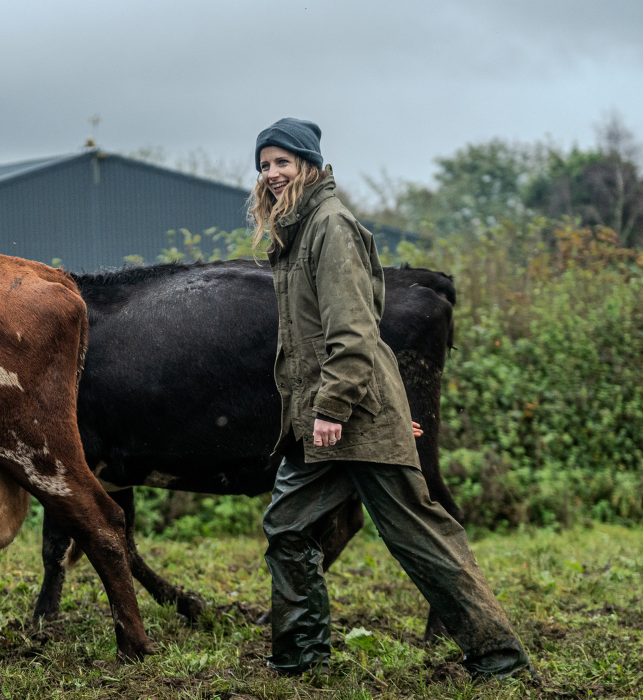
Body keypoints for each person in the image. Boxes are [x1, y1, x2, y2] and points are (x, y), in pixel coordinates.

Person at [251, 118, 531, 679]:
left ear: (307, 163)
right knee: (286, 527)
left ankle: (501, 661)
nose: (272, 174)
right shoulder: (298, 229)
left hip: (346, 412)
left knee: (416, 532)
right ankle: (300, 659)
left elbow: (353, 329)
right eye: (264, 164)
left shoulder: (331, 225)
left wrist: (334, 407)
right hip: (325, 415)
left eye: (282, 162)